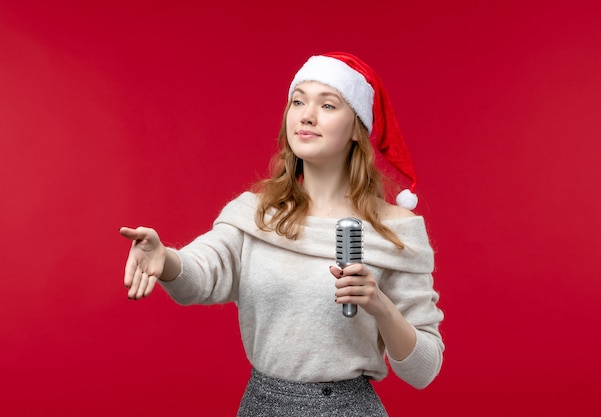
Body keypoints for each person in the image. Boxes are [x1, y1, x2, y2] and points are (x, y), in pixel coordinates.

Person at [120, 52, 444, 416]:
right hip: (262, 406)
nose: (307, 114)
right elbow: (203, 272)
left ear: (357, 127)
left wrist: (381, 306)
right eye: (298, 101)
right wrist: (165, 259)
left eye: (328, 104)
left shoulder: (396, 231)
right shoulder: (257, 215)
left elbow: (424, 369)